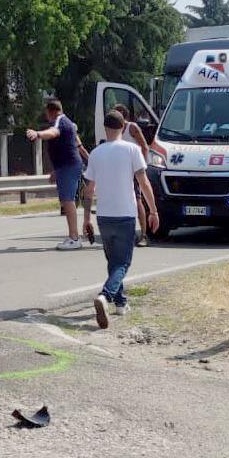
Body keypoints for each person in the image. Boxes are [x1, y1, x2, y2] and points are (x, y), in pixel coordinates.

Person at [83, 109, 159, 327]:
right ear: (123, 127)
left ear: (106, 129)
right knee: (123, 263)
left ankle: (120, 303)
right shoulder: (132, 149)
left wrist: (86, 218)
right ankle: (105, 296)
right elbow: (144, 183)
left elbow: (89, 191)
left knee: (113, 262)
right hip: (125, 214)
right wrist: (153, 210)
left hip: (104, 216)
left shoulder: (96, 153)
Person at [26, 97, 85, 249]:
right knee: (67, 200)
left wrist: (37, 134)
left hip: (69, 166)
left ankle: (74, 238)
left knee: (68, 201)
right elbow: (70, 146)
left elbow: (53, 132)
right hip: (66, 166)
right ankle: (74, 237)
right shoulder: (69, 123)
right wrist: (56, 171)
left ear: (51, 111)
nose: (46, 116)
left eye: (46, 112)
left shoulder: (60, 121)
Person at [113, 103, 154, 246]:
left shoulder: (132, 127)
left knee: (137, 201)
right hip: (120, 171)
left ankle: (143, 235)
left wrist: (140, 166)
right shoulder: (114, 130)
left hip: (135, 170)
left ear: (123, 115)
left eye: (116, 113)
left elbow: (144, 147)